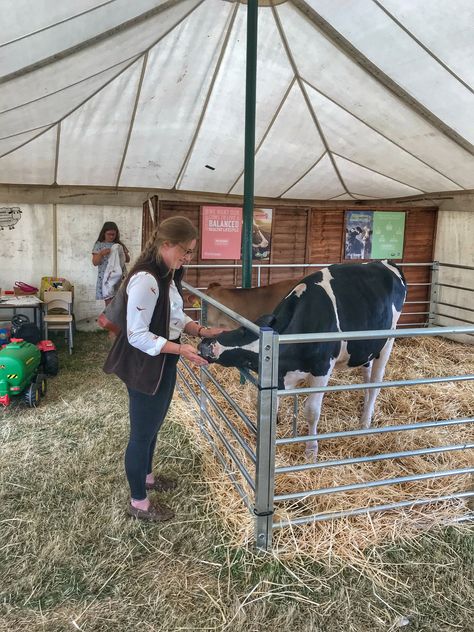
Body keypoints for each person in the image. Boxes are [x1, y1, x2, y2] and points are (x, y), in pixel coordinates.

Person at [103, 216, 226, 522]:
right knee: (142, 433)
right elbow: (137, 334)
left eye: (191, 252)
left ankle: (147, 477)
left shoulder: (167, 274)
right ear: (166, 244)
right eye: (184, 251)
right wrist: (179, 348)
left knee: (153, 425)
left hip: (162, 360)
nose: (187, 257)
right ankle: (139, 503)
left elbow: (174, 315)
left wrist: (197, 330)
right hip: (145, 363)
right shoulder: (147, 279)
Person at [92, 221, 130, 306]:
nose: (111, 236)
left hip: (119, 277)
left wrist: (123, 252)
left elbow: (127, 260)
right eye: (109, 234)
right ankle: (109, 318)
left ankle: (116, 319)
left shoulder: (119, 245)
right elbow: (95, 262)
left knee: (119, 301)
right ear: (104, 233)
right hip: (106, 278)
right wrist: (101, 254)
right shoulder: (99, 245)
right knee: (109, 302)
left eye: (113, 234)